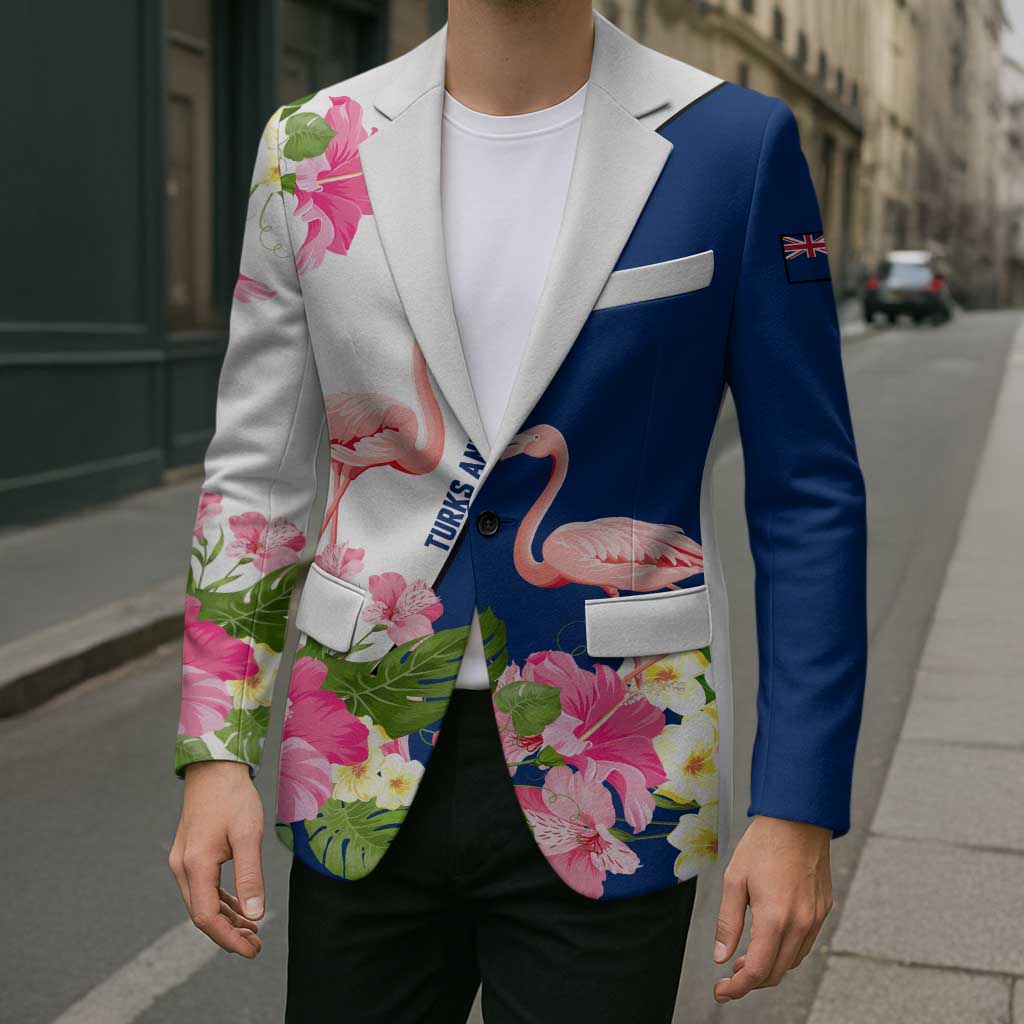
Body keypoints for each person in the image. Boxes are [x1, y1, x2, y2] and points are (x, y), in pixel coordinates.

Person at [168, 3, 867, 1021]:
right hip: (359, 750)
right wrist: (216, 746)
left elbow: (807, 492)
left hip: (616, 765)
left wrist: (797, 801)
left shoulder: (731, 145)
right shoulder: (312, 143)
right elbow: (256, 474)